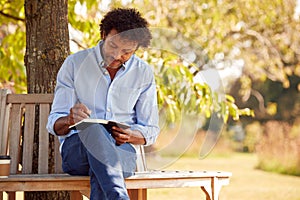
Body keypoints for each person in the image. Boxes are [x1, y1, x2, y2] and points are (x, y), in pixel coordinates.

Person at [47, 8, 160, 200]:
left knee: (102, 166)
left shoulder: (143, 73)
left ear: (136, 49)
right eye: (113, 46)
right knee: (93, 129)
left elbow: (151, 129)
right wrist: (69, 119)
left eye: (126, 52)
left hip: (122, 152)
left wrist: (132, 134)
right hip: (77, 153)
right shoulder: (74, 64)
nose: (117, 56)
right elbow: (54, 124)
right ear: (103, 35)